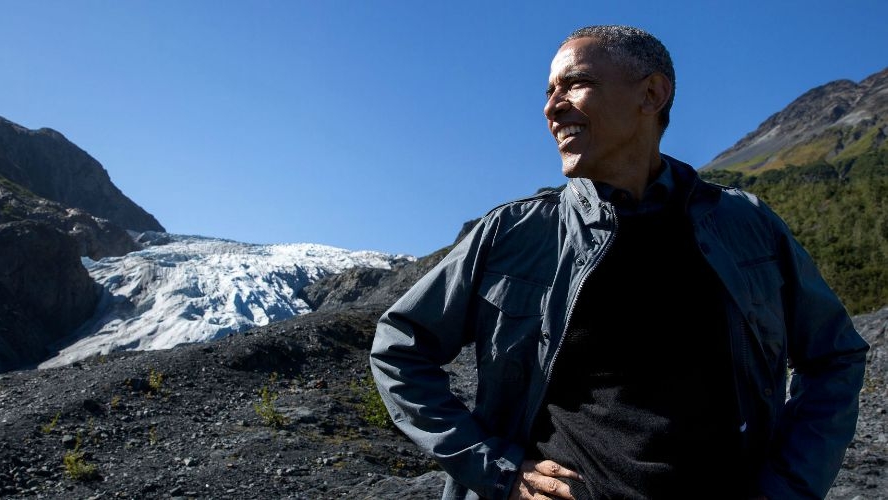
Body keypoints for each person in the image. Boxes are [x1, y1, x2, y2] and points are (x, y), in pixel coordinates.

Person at [369, 24, 870, 500]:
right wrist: (496, 469)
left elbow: (834, 355)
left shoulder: (747, 225)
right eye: (549, 91)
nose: (551, 108)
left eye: (576, 83)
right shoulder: (515, 233)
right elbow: (399, 348)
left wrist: (789, 486)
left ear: (651, 95)